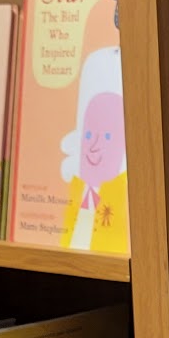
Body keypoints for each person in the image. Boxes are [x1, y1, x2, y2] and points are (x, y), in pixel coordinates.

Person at [59, 44, 128, 254]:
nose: (94, 147)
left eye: (107, 137)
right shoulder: (75, 187)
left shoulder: (122, 193)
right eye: (89, 135)